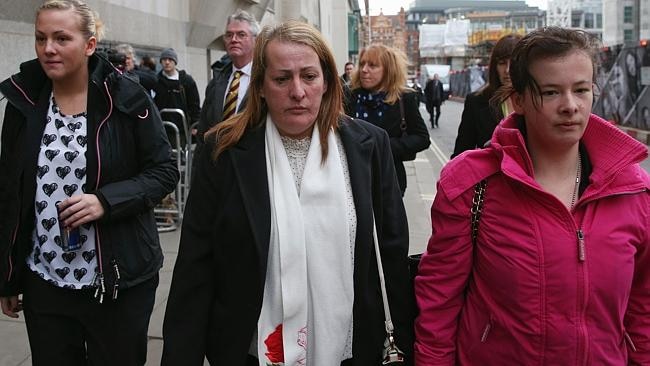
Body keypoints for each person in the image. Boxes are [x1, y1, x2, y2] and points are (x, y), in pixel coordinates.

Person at [162, 20, 414, 365]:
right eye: (282, 78)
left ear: (326, 81)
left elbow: (392, 251)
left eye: (309, 76)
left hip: (352, 349)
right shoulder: (223, 151)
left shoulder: (368, 146)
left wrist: (411, 342)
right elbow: (195, 264)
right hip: (252, 351)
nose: (297, 91)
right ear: (261, 86)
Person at [414, 27, 650, 365]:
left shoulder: (634, 191)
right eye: (551, 92)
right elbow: (439, 302)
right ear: (519, 99)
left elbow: (642, 309)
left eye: (581, 90)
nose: (570, 106)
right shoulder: (472, 185)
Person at [0, 1, 179, 364]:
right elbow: (10, 192)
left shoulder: (127, 96)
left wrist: (106, 201)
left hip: (117, 282)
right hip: (45, 280)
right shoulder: (23, 101)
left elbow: (163, 171)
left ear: (89, 45)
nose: (48, 48)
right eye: (41, 38)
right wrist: (9, 276)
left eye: (61, 38)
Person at [345, 44, 430, 195]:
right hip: (351, 180)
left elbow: (422, 138)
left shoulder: (404, 99)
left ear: (388, 70)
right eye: (362, 64)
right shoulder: (349, 96)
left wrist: (384, 146)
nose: (364, 70)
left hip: (389, 181)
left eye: (372, 65)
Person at [194, 9, 260, 163]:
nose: (234, 39)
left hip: (251, 169)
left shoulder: (266, 80)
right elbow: (203, 133)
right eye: (229, 35)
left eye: (241, 35)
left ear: (255, 40)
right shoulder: (217, 81)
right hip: (217, 168)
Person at [451, 34, 522, 158]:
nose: (507, 70)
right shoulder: (476, 101)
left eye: (514, 63)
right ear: (494, 67)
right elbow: (461, 155)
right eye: (502, 63)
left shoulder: (539, 100)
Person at [154, 47, 201, 147]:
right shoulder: (156, 81)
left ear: (175, 62)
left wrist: (195, 124)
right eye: (164, 60)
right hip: (162, 126)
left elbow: (194, 104)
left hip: (182, 126)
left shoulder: (186, 81)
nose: (167, 62)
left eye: (170, 60)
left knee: (180, 154)